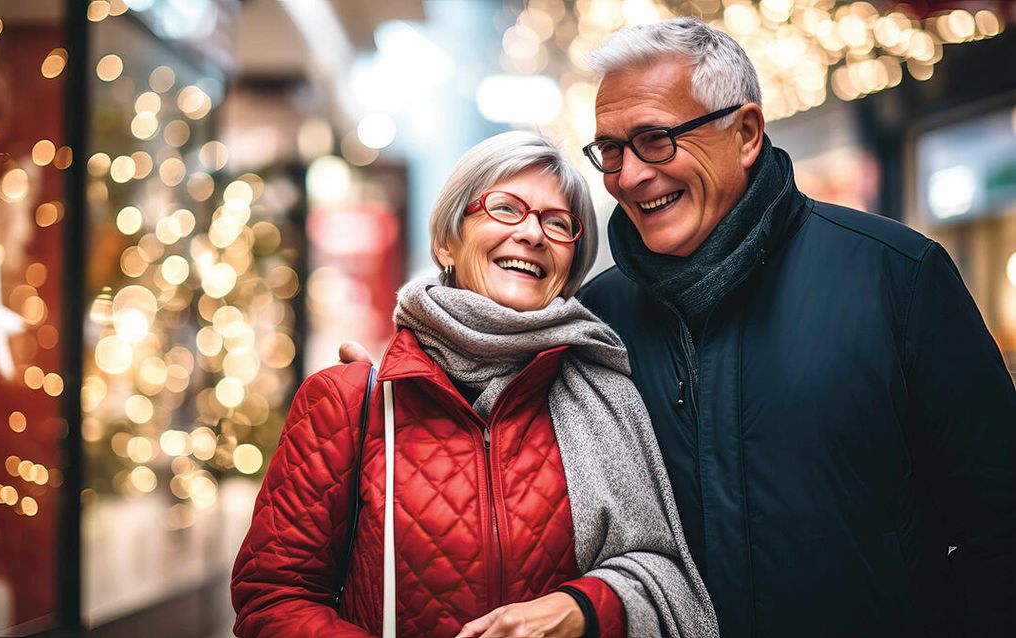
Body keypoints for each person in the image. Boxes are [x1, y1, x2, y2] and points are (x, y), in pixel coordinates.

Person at [571, 16, 1016, 638]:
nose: (628, 175)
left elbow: (998, 526)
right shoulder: (596, 322)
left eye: (655, 139)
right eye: (610, 150)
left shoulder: (896, 276)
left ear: (746, 133)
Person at [231, 132, 718, 638]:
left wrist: (582, 609)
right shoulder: (349, 402)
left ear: (571, 267)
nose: (532, 234)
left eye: (557, 223)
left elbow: (664, 573)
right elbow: (272, 599)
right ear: (447, 241)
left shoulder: (608, 395)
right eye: (505, 208)